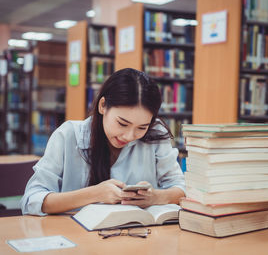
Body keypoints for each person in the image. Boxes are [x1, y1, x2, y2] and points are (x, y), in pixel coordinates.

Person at [21, 68, 185, 216]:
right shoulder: (68, 135)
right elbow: (32, 200)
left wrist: (155, 197)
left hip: (135, 239)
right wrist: (94, 194)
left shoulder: (155, 134)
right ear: (102, 105)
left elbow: (181, 188)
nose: (129, 136)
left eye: (142, 127)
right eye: (122, 123)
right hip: (76, 238)